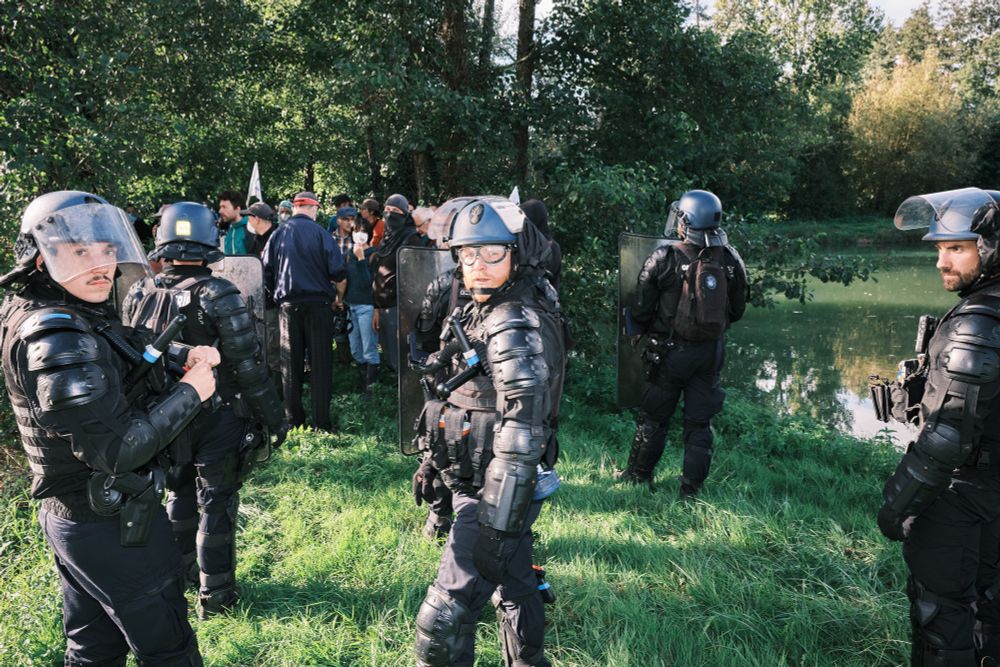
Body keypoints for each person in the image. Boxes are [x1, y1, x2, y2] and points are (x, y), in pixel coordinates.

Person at [0, 190, 218, 666]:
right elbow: (118, 449)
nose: (100, 264)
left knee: (94, 648)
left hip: (81, 517)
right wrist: (192, 391)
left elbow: (119, 341)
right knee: (170, 651)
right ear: (41, 256)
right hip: (112, 524)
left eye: (106, 249)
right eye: (80, 251)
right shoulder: (54, 332)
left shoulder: (58, 310)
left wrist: (183, 354)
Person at [411, 198, 566, 667]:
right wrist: (432, 462)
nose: (477, 266)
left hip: (500, 488)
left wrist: (496, 524)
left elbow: (522, 430)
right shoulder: (490, 303)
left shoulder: (512, 317)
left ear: (516, 254)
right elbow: (458, 396)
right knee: (516, 582)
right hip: (477, 473)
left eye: (492, 253)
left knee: (443, 616)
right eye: (468, 254)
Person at [123, 201, 287, 619]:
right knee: (216, 501)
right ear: (208, 241)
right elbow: (248, 367)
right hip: (217, 416)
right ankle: (216, 596)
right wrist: (274, 416)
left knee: (178, 493)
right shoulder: (218, 293)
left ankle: (182, 579)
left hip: (164, 417)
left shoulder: (141, 290)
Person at [876, 188, 1000, 666]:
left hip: (958, 497)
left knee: (941, 622)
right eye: (939, 248)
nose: (941, 262)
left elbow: (948, 437)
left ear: (990, 248)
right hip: (990, 489)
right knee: (989, 618)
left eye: (956, 248)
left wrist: (897, 506)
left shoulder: (979, 324)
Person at [615, 189, 747, 498]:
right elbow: (737, 311)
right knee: (699, 425)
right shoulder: (730, 258)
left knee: (653, 419)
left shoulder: (665, 256)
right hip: (711, 354)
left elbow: (641, 309)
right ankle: (691, 491)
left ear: (683, 221)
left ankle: (638, 478)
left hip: (668, 355)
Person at [263, 191, 347, 432]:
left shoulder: (278, 234)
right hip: (319, 306)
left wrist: (278, 293)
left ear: (295, 208)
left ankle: (293, 421)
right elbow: (339, 272)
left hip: (288, 306)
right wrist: (338, 298)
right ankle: (321, 423)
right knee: (321, 365)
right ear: (313, 209)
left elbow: (265, 271)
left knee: (291, 365)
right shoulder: (321, 234)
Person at [369, 193, 431, 372]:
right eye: (386, 210)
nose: (389, 214)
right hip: (383, 305)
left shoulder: (412, 239)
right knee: (389, 350)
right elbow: (378, 274)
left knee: (403, 354)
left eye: (395, 210)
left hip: (402, 307)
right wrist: (376, 308)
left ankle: (408, 389)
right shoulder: (386, 239)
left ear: (404, 214)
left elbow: (418, 277)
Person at [344, 217, 380, 391]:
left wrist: (361, 260)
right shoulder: (348, 255)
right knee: (355, 350)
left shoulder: (374, 254)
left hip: (367, 306)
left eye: (364, 231)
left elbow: (369, 283)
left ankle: (371, 389)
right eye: (357, 230)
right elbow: (345, 280)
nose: (360, 234)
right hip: (351, 306)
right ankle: (361, 384)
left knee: (369, 350)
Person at [218, 190, 248, 255]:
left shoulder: (251, 230)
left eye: (224, 207)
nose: (220, 211)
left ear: (237, 209)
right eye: (220, 207)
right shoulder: (230, 231)